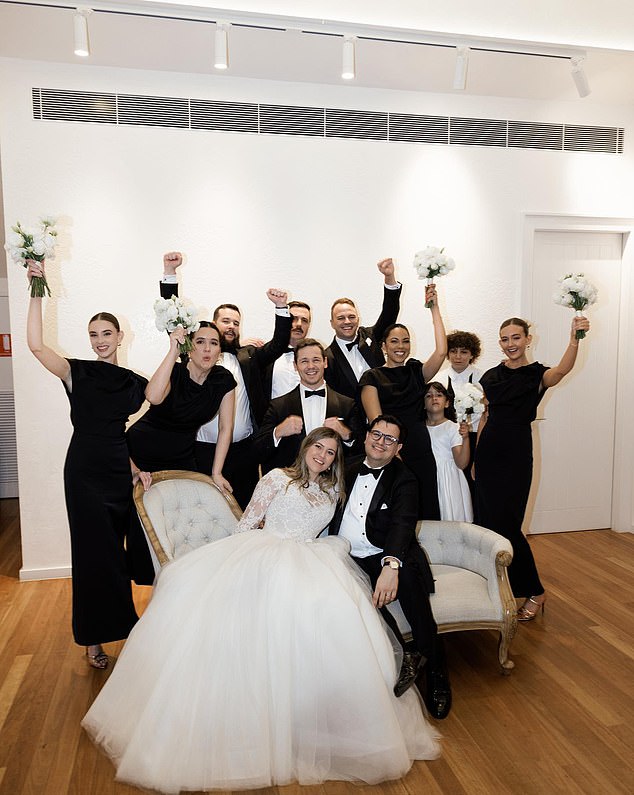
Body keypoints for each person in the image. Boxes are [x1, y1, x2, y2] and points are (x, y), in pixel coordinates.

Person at [82, 427, 440, 792]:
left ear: (336, 459)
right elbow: (247, 523)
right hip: (266, 554)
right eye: (318, 446)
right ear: (305, 448)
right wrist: (237, 568)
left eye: (331, 452)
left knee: (331, 623)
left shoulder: (332, 490)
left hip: (313, 559)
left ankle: (310, 720)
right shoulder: (276, 479)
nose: (323, 455)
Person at [25, 260, 148, 669]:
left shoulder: (132, 380)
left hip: (117, 468)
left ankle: (125, 628)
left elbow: (158, 399)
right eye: (93, 335)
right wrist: (36, 288)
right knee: (92, 553)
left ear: (119, 336)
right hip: (84, 473)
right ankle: (93, 640)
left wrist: (133, 466)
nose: (99, 341)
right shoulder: (76, 373)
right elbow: (37, 346)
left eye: (106, 334)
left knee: (116, 553)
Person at [329, 414, 452, 720]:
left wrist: (391, 565)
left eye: (390, 439)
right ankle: (403, 654)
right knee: (357, 596)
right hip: (345, 555)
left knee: (409, 585)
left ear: (398, 448)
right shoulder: (347, 467)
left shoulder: (405, 478)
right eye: (377, 434)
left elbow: (402, 524)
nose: (381, 442)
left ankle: (437, 672)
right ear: (367, 435)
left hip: (386, 553)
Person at [474, 315, 590, 621]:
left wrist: (574, 338)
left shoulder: (537, 374)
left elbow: (562, 370)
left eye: (516, 337)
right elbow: (485, 418)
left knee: (509, 526)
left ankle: (536, 592)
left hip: (516, 453)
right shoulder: (490, 376)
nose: (510, 344)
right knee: (488, 522)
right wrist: (475, 457)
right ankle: (503, 589)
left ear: (528, 339)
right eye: (505, 338)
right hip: (488, 454)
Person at [160, 251, 292, 508]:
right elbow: (172, 321)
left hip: (244, 452)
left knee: (243, 512)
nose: (231, 326)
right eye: (225, 321)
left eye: (236, 322)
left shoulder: (249, 356)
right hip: (200, 451)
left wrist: (281, 307)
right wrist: (169, 273)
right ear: (213, 324)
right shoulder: (196, 352)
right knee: (202, 511)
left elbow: (277, 345)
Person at [126, 321, 236, 583]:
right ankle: (153, 594)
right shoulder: (174, 371)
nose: (207, 349)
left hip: (182, 455)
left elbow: (226, 428)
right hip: (141, 452)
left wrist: (216, 472)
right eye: (200, 342)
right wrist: (173, 350)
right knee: (144, 525)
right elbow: (152, 397)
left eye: (214, 343)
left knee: (186, 523)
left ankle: (182, 588)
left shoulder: (223, 380)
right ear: (190, 347)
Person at [359, 284, 448, 519]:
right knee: (396, 512)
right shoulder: (372, 377)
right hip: (388, 449)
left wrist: (434, 308)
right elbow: (376, 422)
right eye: (395, 341)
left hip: (419, 448)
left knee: (425, 507)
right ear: (384, 346)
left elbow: (441, 352)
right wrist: (392, 451)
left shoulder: (415, 372)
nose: (401, 346)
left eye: (405, 341)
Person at [254, 338, 362, 473]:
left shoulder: (347, 405)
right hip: (290, 484)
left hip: (331, 485)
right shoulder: (278, 406)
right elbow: (258, 452)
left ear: (325, 362)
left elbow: (361, 451)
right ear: (295, 365)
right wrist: (278, 432)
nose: (310, 366)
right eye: (304, 361)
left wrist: (346, 434)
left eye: (316, 360)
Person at [325, 257, 401, 402]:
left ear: (358, 320)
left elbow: (389, 312)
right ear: (332, 323)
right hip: (352, 420)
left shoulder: (372, 336)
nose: (347, 322)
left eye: (351, 317)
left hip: (386, 410)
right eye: (341, 318)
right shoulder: (327, 357)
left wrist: (389, 277)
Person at [437, 331, 483, 500]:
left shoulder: (482, 378)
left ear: (472, 354)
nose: (458, 356)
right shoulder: (439, 378)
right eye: (453, 351)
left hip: (474, 437)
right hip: (447, 438)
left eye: (463, 352)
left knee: (473, 484)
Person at [423, 382, 473, 522]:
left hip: (448, 479)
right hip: (428, 477)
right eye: (429, 395)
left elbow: (461, 463)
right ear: (423, 403)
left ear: (446, 403)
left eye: (439, 395)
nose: (434, 398)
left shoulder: (452, 428)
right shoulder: (419, 429)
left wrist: (466, 438)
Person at [266, 300, 312, 399]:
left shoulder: (318, 358)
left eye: (304, 320)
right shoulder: (267, 355)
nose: (299, 324)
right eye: (294, 319)